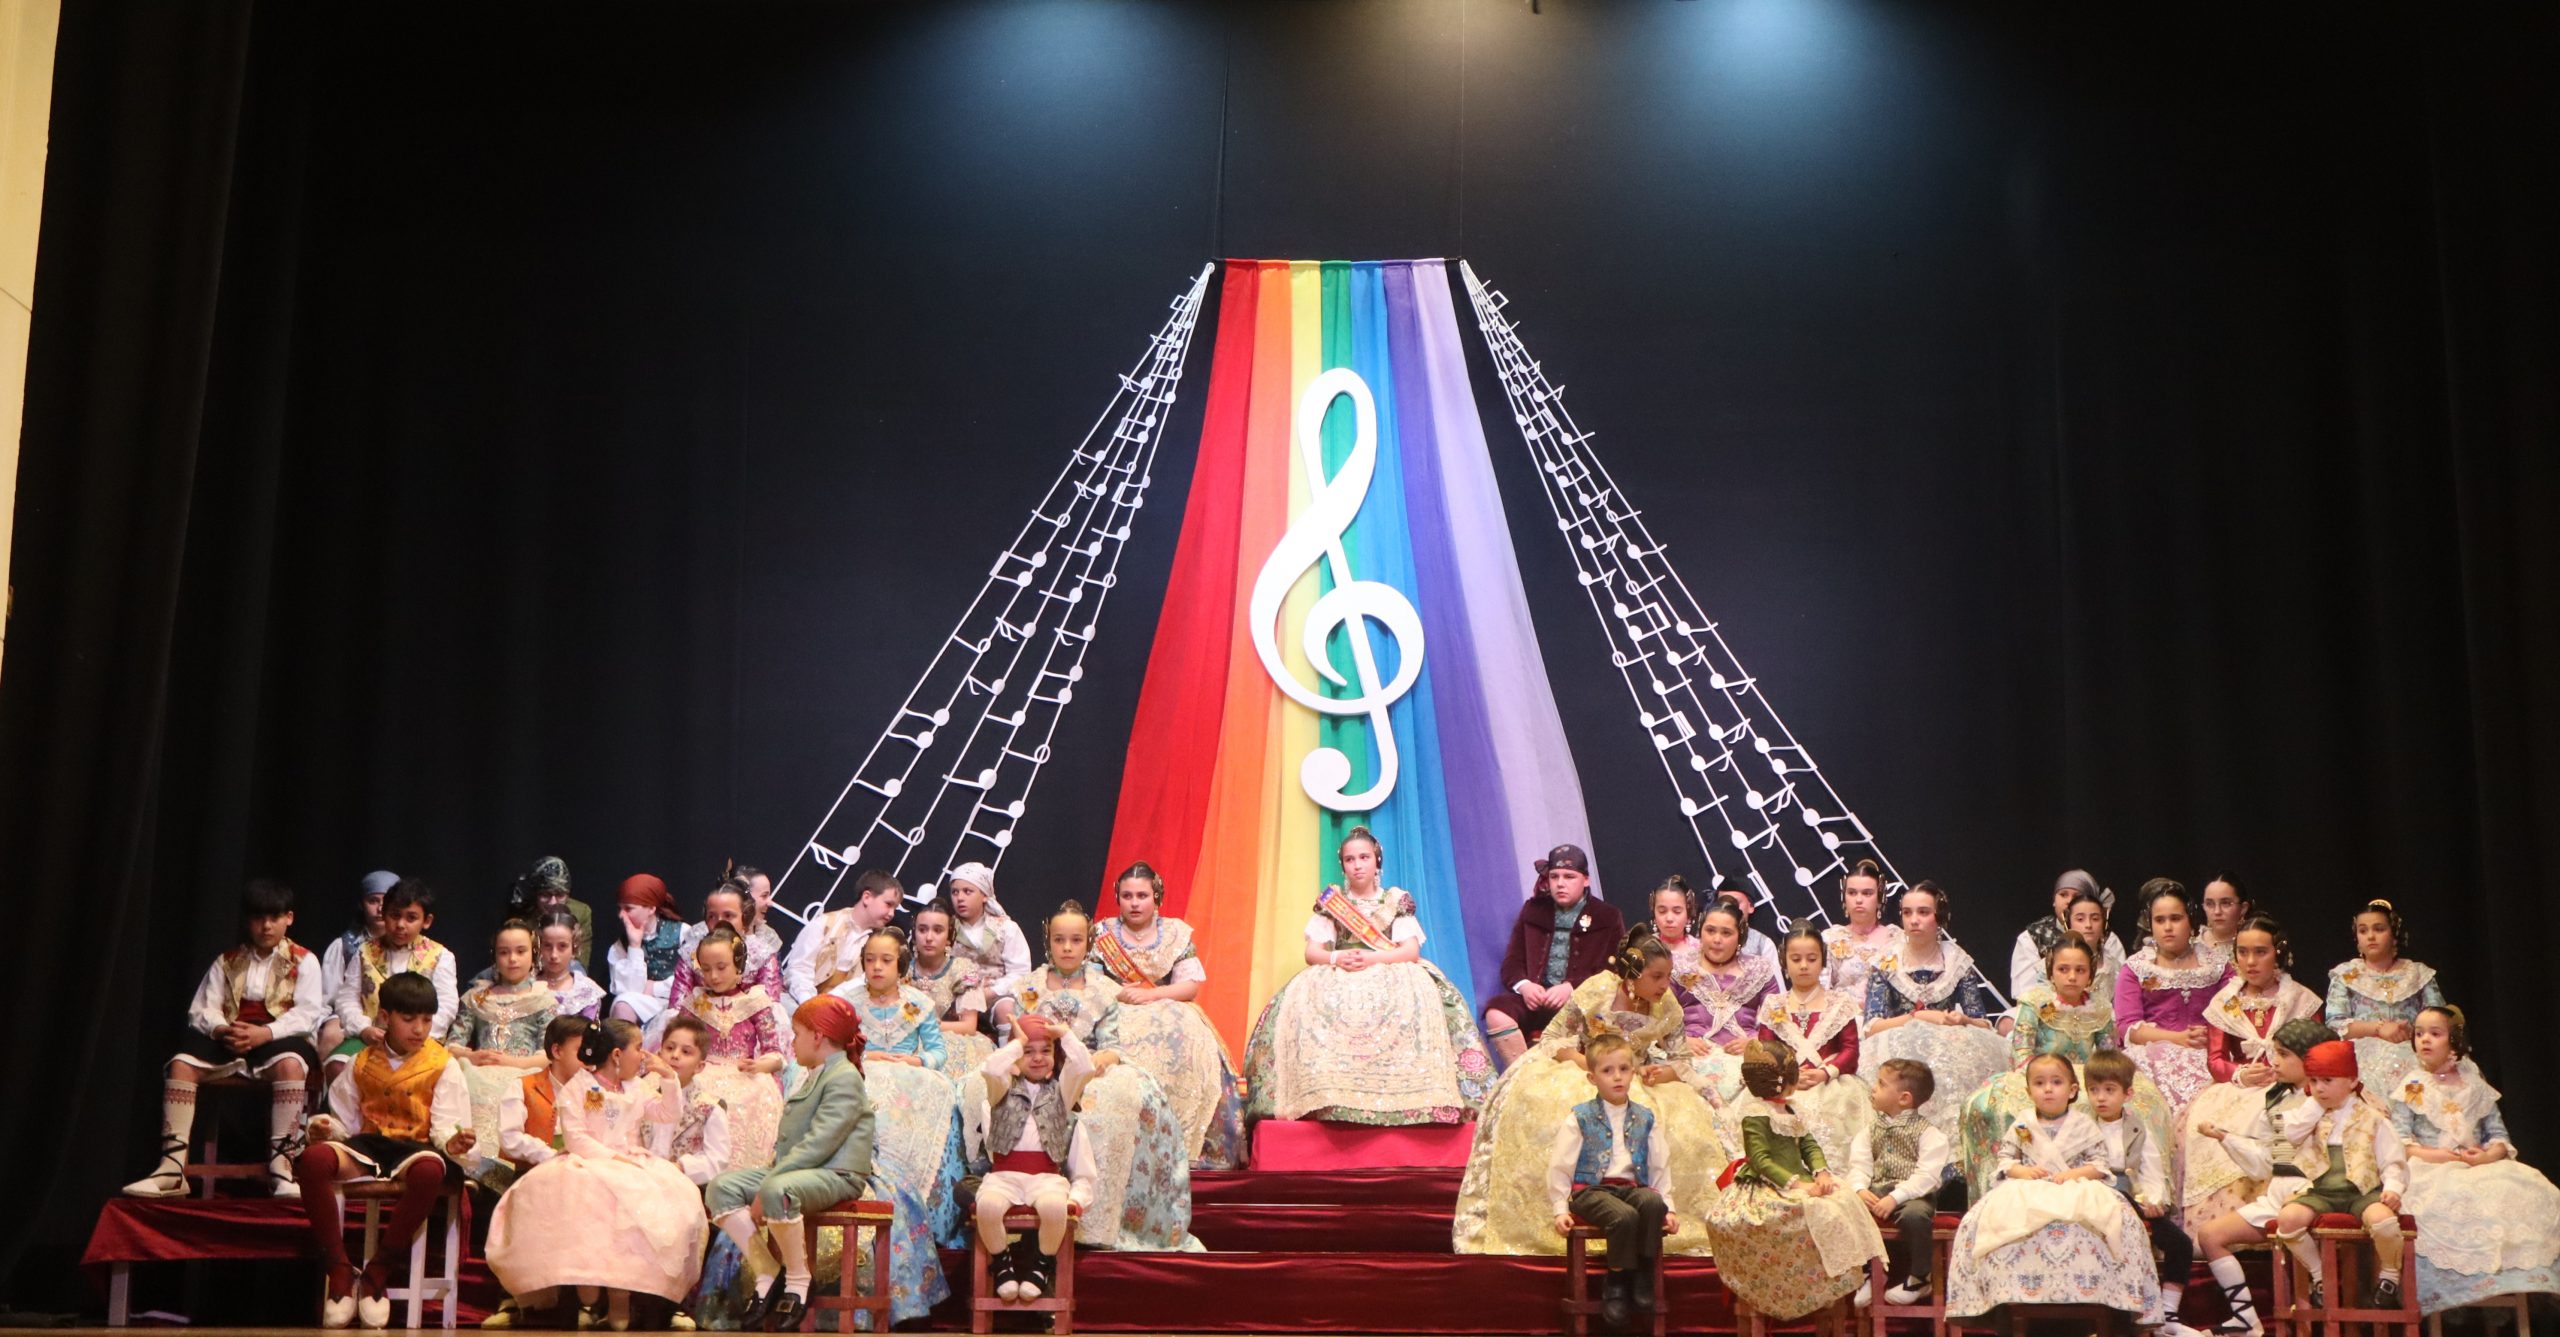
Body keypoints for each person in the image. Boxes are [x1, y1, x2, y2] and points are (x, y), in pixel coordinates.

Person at [1452, 927, 1725, 1258]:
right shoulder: (1598, 991)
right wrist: (1592, 1065)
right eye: (1657, 977)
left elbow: (1681, 1060)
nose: (1665, 985)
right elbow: (1553, 1038)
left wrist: (1660, 1072)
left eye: (1668, 976)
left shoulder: (1666, 1006)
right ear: (1631, 974)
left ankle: (1662, 1217)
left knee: (1683, 1126)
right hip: (1587, 1069)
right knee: (1547, 1112)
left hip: (1637, 1078)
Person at [704, 996, 947, 1333]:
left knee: (776, 1189)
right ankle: (766, 1269)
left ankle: (798, 1281)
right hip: (801, 1172)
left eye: (797, 1034)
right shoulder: (816, 1073)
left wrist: (772, 1180)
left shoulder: (843, 1076)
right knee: (721, 1188)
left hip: (837, 1173)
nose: (793, 1042)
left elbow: (821, 1142)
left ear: (818, 1036)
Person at [1243, 826, 1494, 1127]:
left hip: (1389, 967)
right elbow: (1312, 952)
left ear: (1377, 861)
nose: (1358, 865)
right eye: (1350, 860)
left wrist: (1373, 958)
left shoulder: (1394, 901)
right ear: (1343, 866)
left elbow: (1409, 951)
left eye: (1364, 857)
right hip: (1340, 971)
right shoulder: (1333, 902)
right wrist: (1336, 958)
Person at [990, 900, 1195, 1250]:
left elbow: (1112, 1045)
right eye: (1059, 940)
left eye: (1076, 940)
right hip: (1036, 1067)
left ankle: (1095, 1219)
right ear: (1048, 941)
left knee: (1108, 1105)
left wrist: (1101, 1058)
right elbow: (1017, 1040)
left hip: (1086, 1067)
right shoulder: (1029, 987)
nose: (1067, 948)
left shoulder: (1103, 989)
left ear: (1088, 942)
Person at [483, 1018, 705, 1330]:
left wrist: (668, 1078)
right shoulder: (580, 1086)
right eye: (639, 1048)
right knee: (582, 1196)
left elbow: (667, 1113)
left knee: (670, 1195)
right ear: (617, 1055)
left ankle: (623, 1299)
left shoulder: (636, 1087)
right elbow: (576, 1137)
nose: (644, 1055)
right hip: (588, 1160)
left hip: (629, 1160)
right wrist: (612, 1159)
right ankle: (582, 1296)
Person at [294, 971, 476, 1329]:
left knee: (430, 1171)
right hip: (369, 1145)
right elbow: (344, 1121)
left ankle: (378, 1271)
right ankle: (340, 1270)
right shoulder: (361, 1062)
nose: (419, 1029)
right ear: (385, 1017)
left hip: (417, 1146)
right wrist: (325, 1129)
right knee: (313, 1160)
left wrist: (452, 1143)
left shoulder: (442, 1064)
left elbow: (446, 1125)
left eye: (426, 1020)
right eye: (409, 1019)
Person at [2192, 1037, 2407, 1331]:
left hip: (2358, 1190)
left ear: (2352, 1081)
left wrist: (2393, 1187)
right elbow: (2279, 1148)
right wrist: (2227, 1137)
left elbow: (2392, 1159)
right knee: (2288, 1219)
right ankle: (2316, 1278)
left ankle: (2389, 1276)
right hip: (2315, 1192)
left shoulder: (2370, 1117)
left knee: (2382, 1220)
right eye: (2314, 1081)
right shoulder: (2297, 1111)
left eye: (2327, 1080)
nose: (2319, 1088)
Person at [127, 879, 324, 1198]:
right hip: (233, 1035)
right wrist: (222, 1030)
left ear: (288, 918)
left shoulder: (305, 960)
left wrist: (265, 1033)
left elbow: (309, 1012)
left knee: (291, 1064)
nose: (266, 926)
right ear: (248, 921)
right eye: (258, 918)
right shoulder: (228, 960)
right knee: (181, 1064)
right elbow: (202, 1008)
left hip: (278, 1036)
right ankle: (172, 1169)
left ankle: (282, 1168)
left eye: (274, 917)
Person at [1944, 1052, 2162, 1327]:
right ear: (2029, 1091)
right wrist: (2023, 1172)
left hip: (2076, 1187)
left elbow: (2099, 1164)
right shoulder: (2022, 1124)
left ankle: (2101, 1294)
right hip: (2028, 1188)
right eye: (2039, 1083)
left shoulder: (2083, 1124)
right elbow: (2006, 1159)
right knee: (1984, 1218)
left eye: (2056, 1082)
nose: (2048, 1089)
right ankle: (2007, 1293)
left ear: (2072, 1090)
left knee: (2115, 1218)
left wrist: (2073, 1174)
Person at [1956, 932, 2174, 1204]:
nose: (2072, 977)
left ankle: (2142, 1194)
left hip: (2086, 1076)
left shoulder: (2099, 1008)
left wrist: (2097, 1079)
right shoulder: (2035, 1001)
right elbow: (2022, 1050)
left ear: (2091, 974)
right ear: (2051, 971)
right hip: (2041, 1073)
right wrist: (2039, 1077)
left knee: (2140, 1102)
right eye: (2063, 969)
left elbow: (2108, 1055)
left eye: (2080, 970)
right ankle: (2001, 1192)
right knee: (1988, 1106)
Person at [2390, 1005, 2560, 1315]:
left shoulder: (2474, 1084)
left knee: (2526, 1187)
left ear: (2454, 1041)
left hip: (2477, 1165)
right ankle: (2452, 1292)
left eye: (2435, 1033)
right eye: (2419, 1033)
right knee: (2447, 1197)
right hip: (2430, 1166)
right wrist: (2435, 1155)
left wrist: (2486, 1156)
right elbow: (2400, 1141)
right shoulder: (2412, 1086)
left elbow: (2498, 1136)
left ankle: (2511, 1282)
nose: (2424, 1039)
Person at [1700, 1041, 1887, 1321]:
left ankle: (1853, 1272)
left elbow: (1808, 1144)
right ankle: (1803, 1284)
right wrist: (1798, 1185)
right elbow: (1760, 1160)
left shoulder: (1791, 1109)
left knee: (1844, 1199)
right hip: (1769, 1184)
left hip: (1800, 1178)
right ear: (1782, 1081)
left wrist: (1821, 1172)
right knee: (1813, 1211)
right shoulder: (1755, 1114)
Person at [1092, 861, 1247, 1167]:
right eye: (1127, 896)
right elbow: (1091, 982)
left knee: (1189, 1041)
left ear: (1156, 897)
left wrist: (1151, 995)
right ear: (1118, 897)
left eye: (1142, 896)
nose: (1134, 903)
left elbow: (1190, 986)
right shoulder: (1102, 934)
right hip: (1118, 1008)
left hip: (1168, 1005)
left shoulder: (1175, 933)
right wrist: (1119, 993)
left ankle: (1189, 1145)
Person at [2179, 920, 2326, 1231]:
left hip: (2291, 1086)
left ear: (2278, 953)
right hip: (2239, 1087)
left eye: (2260, 952)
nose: (2250, 961)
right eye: (2243, 952)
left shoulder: (2301, 999)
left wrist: (2287, 1072)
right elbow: (2215, 1060)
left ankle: (2293, 1215)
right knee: (2207, 1128)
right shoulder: (2224, 1003)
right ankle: (2229, 1226)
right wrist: (2241, 1074)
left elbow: (2317, 1053)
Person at [1545, 1033, 1678, 1331]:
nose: (1617, 1077)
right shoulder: (1580, 1117)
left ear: (1633, 1071)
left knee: (1652, 1203)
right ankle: (1616, 1281)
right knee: (1624, 1217)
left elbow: (1659, 1164)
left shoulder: (1645, 1117)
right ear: (1592, 1078)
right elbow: (1560, 1164)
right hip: (1591, 1190)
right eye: (1607, 1071)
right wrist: (1559, 1208)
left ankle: (1642, 1273)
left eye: (1624, 1069)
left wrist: (1669, 1207)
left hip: (1631, 1188)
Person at [1860, 882, 2004, 1136]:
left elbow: (1983, 1023)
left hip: (1947, 1049)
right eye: (1907, 913)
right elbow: (1872, 1027)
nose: (1914, 920)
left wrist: (1962, 1019)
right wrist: (1917, 1016)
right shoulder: (1886, 961)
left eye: (1923, 912)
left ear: (1939, 917)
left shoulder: (1956, 960)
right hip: (1896, 1049)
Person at [974, 1021, 1099, 1304]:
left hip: (1046, 1177)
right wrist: (1016, 1043)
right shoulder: (1001, 1088)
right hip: (1004, 1176)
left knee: (1054, 1207)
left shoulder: (1063, 1091)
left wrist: (1065, 1034)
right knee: (988, 1206)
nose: (1038, 1058)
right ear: (1016, 1056)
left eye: (1046, 1050)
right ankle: (1001, 1262)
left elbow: (1084, 1067)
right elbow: (991, 1069)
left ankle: (1042, 1264)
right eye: (1028, 1052)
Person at [2086, 1048, 2201, 1336]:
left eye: (2109, 1090)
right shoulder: (2083, 1127)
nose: (2100, 1098)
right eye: (2094, 1090)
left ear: (2127, 1094)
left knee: (2179, 1243)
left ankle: (2167, 1312)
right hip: (2095, 1198)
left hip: (2130, 1197)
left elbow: (2150, 1170)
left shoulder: (2138, 1129)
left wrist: (2152, 1201)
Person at [1481, 844, 1627, 1067]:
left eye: (1569, 877)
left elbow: (1614, 971)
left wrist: (1572, 988)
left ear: (1585, 880)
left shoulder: (1607, 916)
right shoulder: (1533, 910)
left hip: (1582, 1004)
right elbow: (1512, 962)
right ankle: (1523, 1076)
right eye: (1554, 876)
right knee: (1496, 1012)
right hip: (1535, 1001)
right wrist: (1525, 986)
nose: (1560, 883)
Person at [2113, 879, 2231, 1121]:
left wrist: (2212, 1037)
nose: (2167, 927)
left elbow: (2234, 1013)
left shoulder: (2217, 965)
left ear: (2191, 920)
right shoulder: (2136, 968)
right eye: (2160, 920)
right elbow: (2127, 1026)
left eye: (2175, 918)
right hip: (2152, 1056)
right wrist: (2178, 1039)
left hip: (2210, 1052)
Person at [1844, 1059, 1955, 1309]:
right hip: (1876, 1192)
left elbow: (1926, 1176)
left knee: (1915, 1216)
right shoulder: (1870, 1130)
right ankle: (1868, 1273)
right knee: (1848, 1210)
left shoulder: (1929, 1134)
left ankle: (1919, 1277)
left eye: (1881, 1084)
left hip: (1912, 1196)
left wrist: (1896, 1197)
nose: (1873, 1088)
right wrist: (1860, 1189)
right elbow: (1859, 1164)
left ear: (1904, 1098)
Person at [1757, 924, 1869, 1168]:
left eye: (1811, 959)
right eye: (1796, 959)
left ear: (1823, 961)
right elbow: (1765, 1051)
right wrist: (1788, 1076)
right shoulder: (1774, 1004)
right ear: (1784, 962)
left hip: (1831, 1083)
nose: (1804, 966)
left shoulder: (1840, 1003)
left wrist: (1823, 1073)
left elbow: (1851, 1050)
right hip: (1784, 1083)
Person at [327, 877, 458, 1082]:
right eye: (394, 916)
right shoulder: (365, 952)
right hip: (373, 1038)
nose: (400, 925)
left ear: (426, 921)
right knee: (338, 1066)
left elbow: (447, 1006)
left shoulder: (440, 956)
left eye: (411, 918)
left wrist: (415, 1035)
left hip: (419, 1041)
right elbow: (347, 998)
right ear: (384, 915)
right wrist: (364, 1029)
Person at [2325, 899, 2445, 1102]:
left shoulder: (2417, 973)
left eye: (2379, 929)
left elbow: (2439, 1019)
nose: (2370, 936)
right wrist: (2379, 1028)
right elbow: (2335, 1023)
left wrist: (2412, 1031)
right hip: (2362, 1056)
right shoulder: (2346, 974)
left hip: (2414, 1050)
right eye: (2363, 931)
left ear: (2394, 934)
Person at [1668, 896, 1778, 1112]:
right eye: (1710, 931)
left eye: (1726, 933)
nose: (1716, 939)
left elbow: (1777, 1020)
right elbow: (1659, 1015)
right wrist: (1681, 1041)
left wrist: (1756, 1042)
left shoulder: (1759, 969)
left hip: (1745, 1056)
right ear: (1700, 931)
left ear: (1740, 936)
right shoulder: (1679, 966)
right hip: (1693, 1054)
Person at [663, 878, 788, 1042]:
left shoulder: (761, 955)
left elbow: (768, 1005)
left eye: (728, 915)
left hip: (750, 1033)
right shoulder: (692, 952)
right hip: (698, 1032)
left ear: (745, 917)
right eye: (712, 916)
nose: (719, 922)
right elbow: (678, 1003)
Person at [672, 927, 786, 1077]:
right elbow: (676, 1043)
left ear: (738, 966)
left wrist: (759, 1066)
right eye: (706, 969)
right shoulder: (694, 1004)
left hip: (744, 1078)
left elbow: (774, 1053)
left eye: (721, 967)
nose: (713, 976)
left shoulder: (755, 1003)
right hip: (701, 1076)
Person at [783, 869, 902, 1010]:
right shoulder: (825, 924)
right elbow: (799, 968)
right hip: (800, 1005)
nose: (891, 914)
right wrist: (809, 1003)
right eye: (888, 904)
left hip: (840, 1013)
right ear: (867, 897)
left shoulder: (878, 943)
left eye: (895, 908)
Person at [445, 920, 556, 1069]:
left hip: (526, 1076)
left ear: (534, 953)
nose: (512, 959)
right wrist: (472, 1057)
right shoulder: (477, 997)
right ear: (495, 956)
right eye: (504, 952)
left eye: (520, 951)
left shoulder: (543, 999)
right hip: (480, 1074)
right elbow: (452, 1047)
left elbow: (549, 1055)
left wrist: (512, 1063)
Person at [317, 871, 398, 1057]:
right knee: (331, 1035)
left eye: (387, 901)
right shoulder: (345, 946)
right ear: (362, 904)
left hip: (395, 1015)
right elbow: (330, 996)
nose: (380, 908)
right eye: (373, 901)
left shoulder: (414, 948)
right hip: (349, 1012)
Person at [2010, 870, 2125, 1000]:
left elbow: (2121, 987)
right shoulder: (2034, 936)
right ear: (2054, 900)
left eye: (2077, 896)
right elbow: (2025, 992)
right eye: (2063, 895)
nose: (2069, 901)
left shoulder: (2107, 938)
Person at [910, 900, 994, 1073]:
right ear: (914, 933)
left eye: (937, 930)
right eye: (922, 930)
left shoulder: (963, 970)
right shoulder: (901, 969)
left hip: (949, 1039)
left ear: (949, 936)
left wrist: (928, 1027)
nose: (929, 937)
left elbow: (968, 1026)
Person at [605, 873, 687, 1026]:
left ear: (650, 908)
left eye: (628, 909)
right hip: (646, 1006)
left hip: (678, 1002)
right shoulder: (619, 947)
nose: (621, 915)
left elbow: (691, 979)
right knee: (622, 1004)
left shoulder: (683, 933)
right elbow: (628, 992)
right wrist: (634, 947)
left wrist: (655, 988)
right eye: (620, 909)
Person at [944, 860, 1033, 989]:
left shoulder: (1005, 928)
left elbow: (1020, 972)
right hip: (956, 994)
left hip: (998, 994)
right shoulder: (946, 929)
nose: (960, 898)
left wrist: (991, 992)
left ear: (984, 895)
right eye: (955, 892)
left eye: (967, 891)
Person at [1821, 860, 1902, 1000]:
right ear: (1844, 897)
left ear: (1879, 898)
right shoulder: (1831, 938)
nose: (1858, 900)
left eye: (1867, 893)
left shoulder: (1896, 938)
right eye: (1852, 893)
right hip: (1841, 1011)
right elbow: (1821, 989)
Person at [506, 856, 592, 975]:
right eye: (545, 895)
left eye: (560, 895)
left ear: (568, 894)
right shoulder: (523, 917)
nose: (553, 902)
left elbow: (580, 960)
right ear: (536, 894)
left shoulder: (581, 912)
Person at [532, 909, 606, 1022]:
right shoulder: (527, 984)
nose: (554, 955)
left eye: (562, 946)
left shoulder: (585, 991)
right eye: (547, 946)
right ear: (539, 946)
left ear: (574, 947)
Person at [1713, 877, 1780, 964]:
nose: (1729, 908)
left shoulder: (1763, 944)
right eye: (1723, 902)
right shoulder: (1706, 938)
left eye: (1735, 903)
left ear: (1750, 906)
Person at [2196, 875, 2253, 971]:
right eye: (2209, 904)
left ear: (2243, 908)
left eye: (2226, 903)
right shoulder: (2191, 943)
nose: (2217, 911)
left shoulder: (2252, 945)